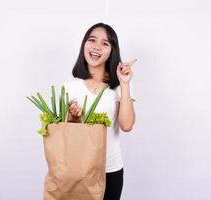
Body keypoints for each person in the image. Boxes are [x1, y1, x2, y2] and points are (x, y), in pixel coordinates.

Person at [64, 22, 136, 200]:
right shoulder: (70, 87)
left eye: (105, 43)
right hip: (77, 171)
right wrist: (73, 117)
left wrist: (124, 84)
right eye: (92, 40)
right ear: (84, 45)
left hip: (110, 170)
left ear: (112, 50)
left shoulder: (120, 85)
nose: (97, 47)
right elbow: (64, 135)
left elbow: (126, 125)